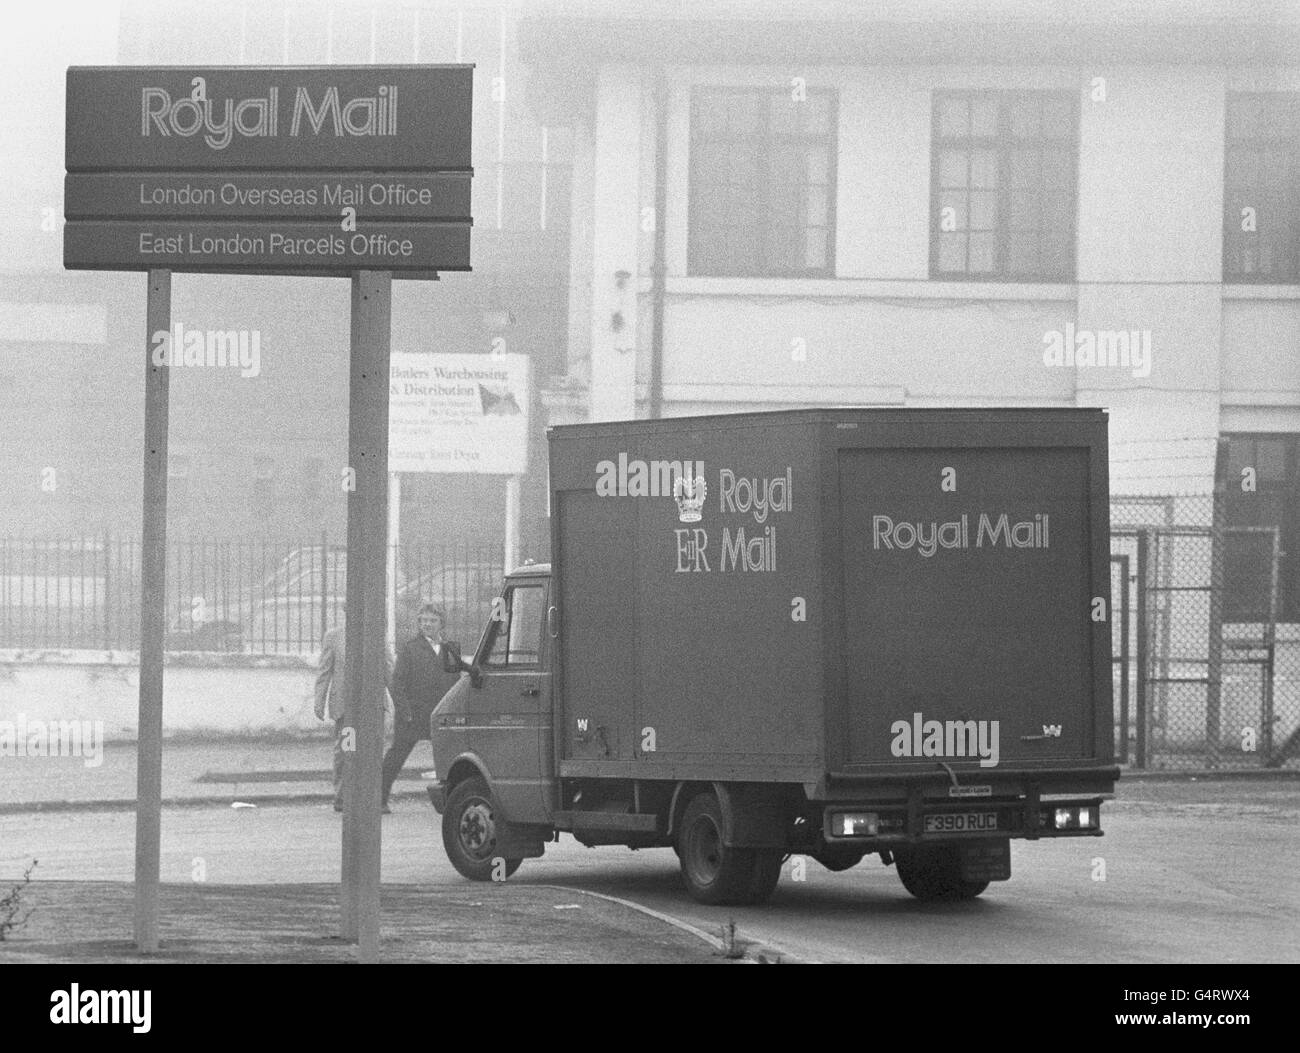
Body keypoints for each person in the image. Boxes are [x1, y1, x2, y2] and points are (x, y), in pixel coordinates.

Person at [382, 604, 471, 811]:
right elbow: (398, 684)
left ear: (441, 623)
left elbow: (457, 679)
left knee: (450, 758)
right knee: (396, 756)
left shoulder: (451, 648)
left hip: (441, 714)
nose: (427, 625)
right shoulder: (410, 648)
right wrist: (405, 712)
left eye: (432, 620)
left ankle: (453, 802)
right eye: (423, 621)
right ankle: (379, 798)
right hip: (413, 715)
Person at [314, 605, 394, 813]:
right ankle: (342, 796)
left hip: (372, 706)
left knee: (373, 750)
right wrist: (319, 700)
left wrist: (398, 700)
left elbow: (388, 668)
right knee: (346, 750)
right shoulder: (333, 637)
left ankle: (372, 797)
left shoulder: (377, 635)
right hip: (346, 709)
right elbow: (325, 670)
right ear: (346, 612)